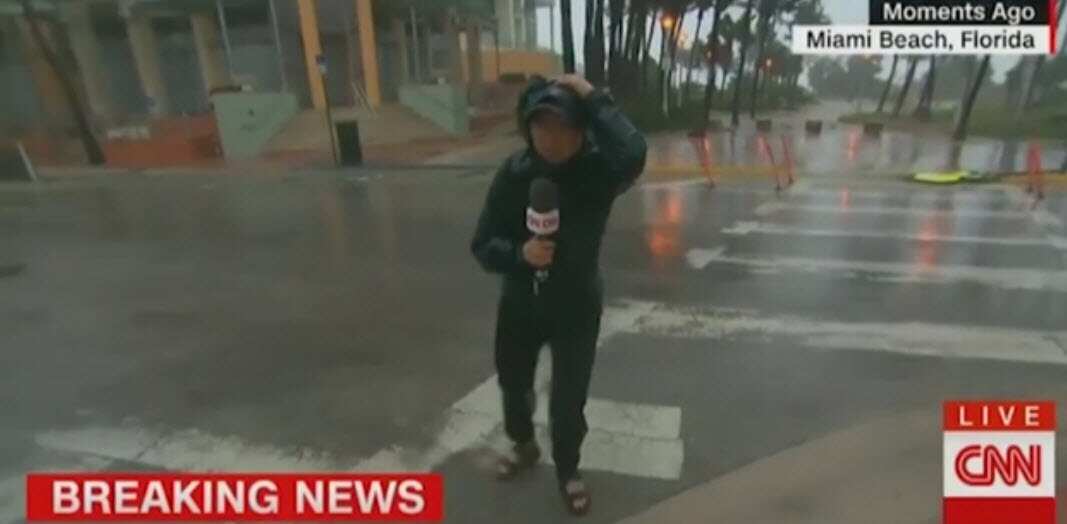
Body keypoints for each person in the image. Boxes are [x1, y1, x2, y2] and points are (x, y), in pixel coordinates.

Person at [469, 74, 647, 516]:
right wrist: (519, 254)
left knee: (568, 401)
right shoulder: (514, 175)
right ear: (527, 129)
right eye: (541, 126)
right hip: (520, 304)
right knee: (514, 385)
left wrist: (592, 95)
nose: (551, 137)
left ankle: (568, 469)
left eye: (564, 126)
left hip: (576, 306)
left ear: (582, 129)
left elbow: (634, 152)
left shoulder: (598, 174)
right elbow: (483, 244)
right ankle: (524, 444)